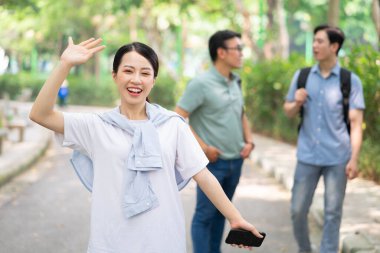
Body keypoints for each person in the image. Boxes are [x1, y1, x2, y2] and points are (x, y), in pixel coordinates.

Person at [29, 37, 262, 253]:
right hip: (111, 242)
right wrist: (65, 65)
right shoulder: (96, 126)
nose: (136, 79)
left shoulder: (173, 125)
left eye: (145, 72)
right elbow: (40, 114)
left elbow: (203, 176)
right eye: (128, 71)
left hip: (164, 240)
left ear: (153, 80)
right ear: (115, 75)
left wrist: (235, 217)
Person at [283, 25, 365, 253]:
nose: (315, 46)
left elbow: (356, 124)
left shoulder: (350, 81)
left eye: (320, 41)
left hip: (337, 157)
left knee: (332, 212)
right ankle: (305, 249)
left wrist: (354, 159)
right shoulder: (302, 76)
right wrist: (296, 102)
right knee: (298, 209)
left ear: (334, 46)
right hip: (307, 155)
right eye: (314, 41)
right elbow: (288, 111)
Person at [175, 30, 255, 253]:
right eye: (237, 48)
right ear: (221, 52)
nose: (241, 53)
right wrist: (203, 148)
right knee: (204, 216)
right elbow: (178, 118)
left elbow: (241, 112)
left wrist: (249, 141)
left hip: (235, 161)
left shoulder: (236, 80)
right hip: (212, 164)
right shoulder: (200, 84)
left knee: (224, 213)